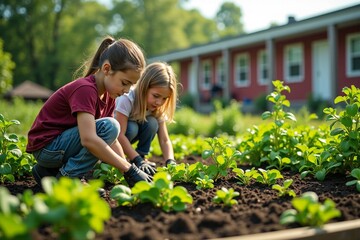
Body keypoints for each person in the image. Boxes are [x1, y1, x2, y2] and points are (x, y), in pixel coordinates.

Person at [26, 36, 152, 191]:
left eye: (131, 86)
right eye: (125, 83)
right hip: (46, 148)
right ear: (107, 69)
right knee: (110, 126)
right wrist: (129, 169)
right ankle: (68, 178)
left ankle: (47, 173)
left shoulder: (108, 94)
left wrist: (128, 171)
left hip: (55, 148)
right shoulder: (85, 90)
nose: (127, 91)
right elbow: (89, 139)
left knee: (110, 128)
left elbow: (112, 140)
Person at [114, 62, 179, 175]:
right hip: (113, 140)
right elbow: (119, 136)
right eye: (156, 96)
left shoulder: (157, 107)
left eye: (165, 98)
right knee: (132, 128)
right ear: (144, 87)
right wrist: (136, 160)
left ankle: (141, 156)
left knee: (152, 123)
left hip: (129, 139)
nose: (159, 102)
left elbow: (164, 139)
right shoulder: (127, 99)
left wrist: (170, 161)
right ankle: (121, 158)